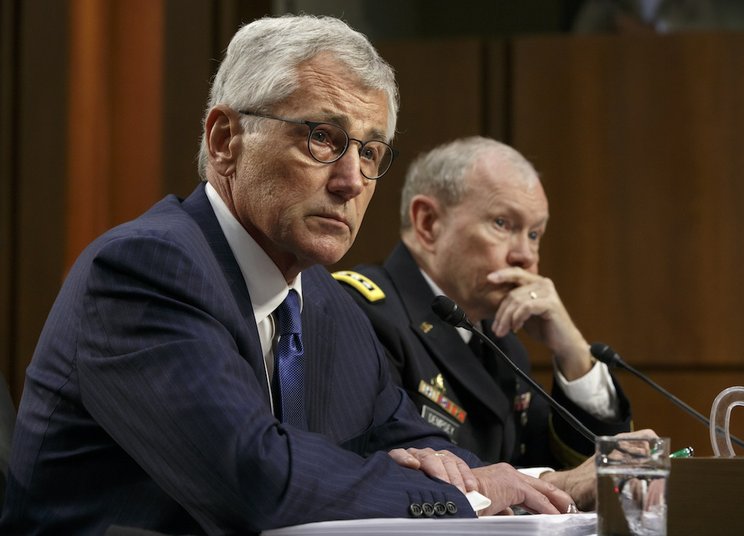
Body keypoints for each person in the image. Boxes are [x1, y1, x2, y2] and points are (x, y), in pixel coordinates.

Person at [0, 16, 579, 535]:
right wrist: (459, 495)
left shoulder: (330, 307)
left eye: (371, 152)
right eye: (322, 138)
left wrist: (530, 487)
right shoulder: (145, 270)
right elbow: (254, 481)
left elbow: (412, 440)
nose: (352, 180)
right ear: (226, 140)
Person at [337, 136, 633, 473]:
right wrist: (548, 484)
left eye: (534, 234)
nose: (524, 256)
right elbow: (393, 466)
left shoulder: (501, 341)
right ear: (428, 223)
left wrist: (574, 351)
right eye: (503, 224)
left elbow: (577, 468)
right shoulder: (363, 314)